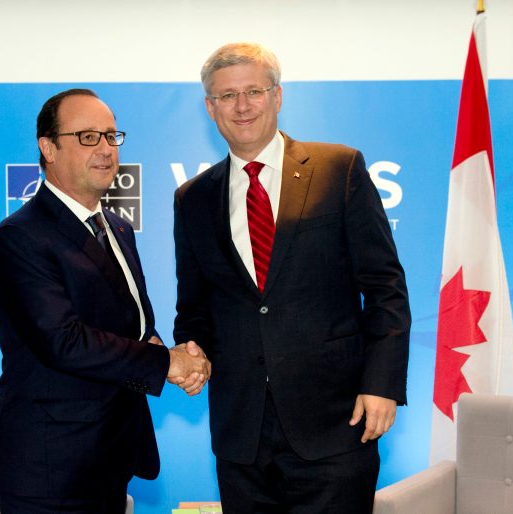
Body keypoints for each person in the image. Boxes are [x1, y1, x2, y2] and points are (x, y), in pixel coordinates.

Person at [173, 43, 411, 513]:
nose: (242, 106)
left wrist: (382, 383)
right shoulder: (192, 198)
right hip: (241, 437)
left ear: (277, 96)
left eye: (254, 91)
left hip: (336, 426)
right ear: (209, 107)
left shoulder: (338, 169)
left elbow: (386, 288)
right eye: (226, 96)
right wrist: (190, 351)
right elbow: (194, 307)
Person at [0, 88, 210, 514]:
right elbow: (63, 340)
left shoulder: (119, 228)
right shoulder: (20, 237)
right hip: (49, 466)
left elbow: (133, 327)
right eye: (88, 137)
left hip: (110, 455)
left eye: (111, 136)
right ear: (48, 148)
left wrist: (171, 352)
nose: (105, 149)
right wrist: (167, 365)